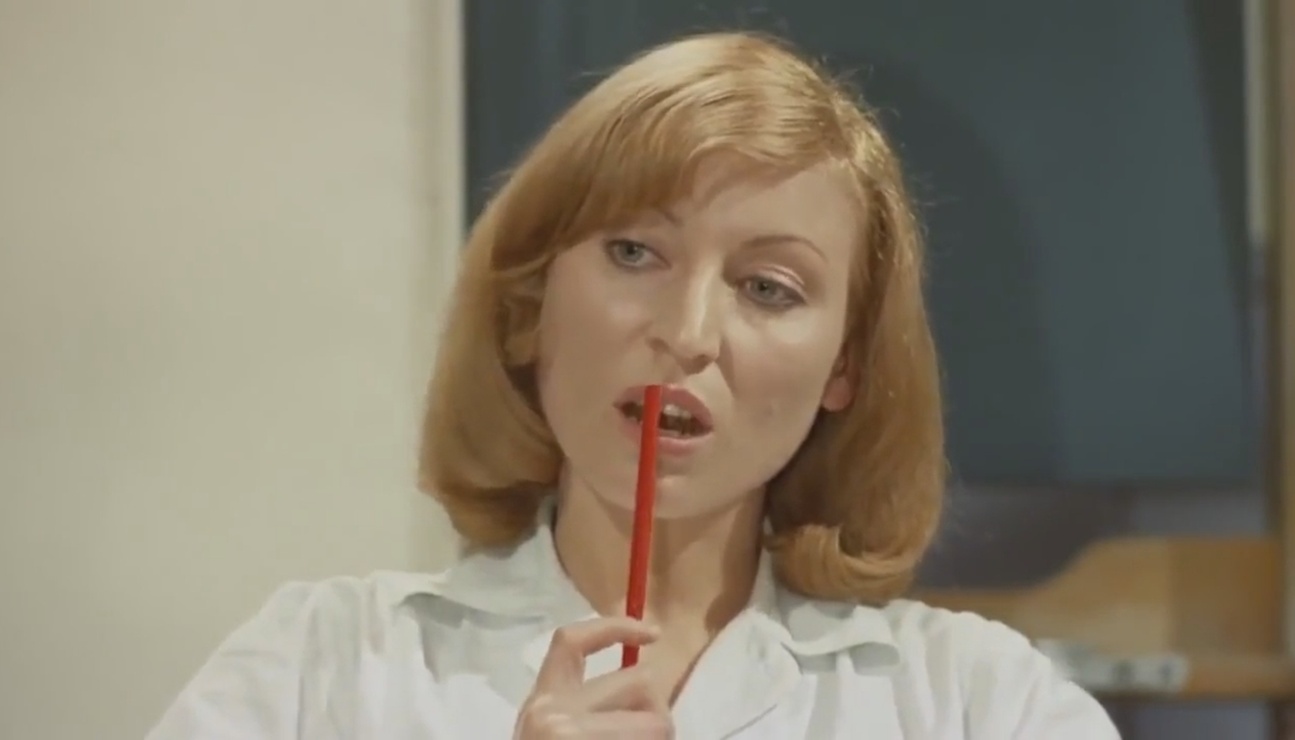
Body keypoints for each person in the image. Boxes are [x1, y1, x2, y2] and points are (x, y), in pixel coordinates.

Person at [146, 31, 1120, 739]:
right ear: (530, 304)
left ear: (844, 368)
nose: (687, 335)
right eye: (633, 252)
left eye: (767, 288)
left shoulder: (977, 702)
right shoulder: (319, 666)